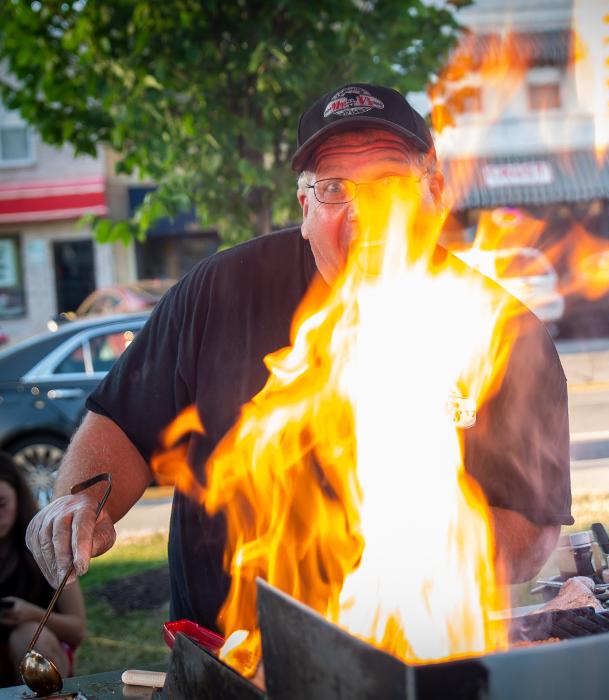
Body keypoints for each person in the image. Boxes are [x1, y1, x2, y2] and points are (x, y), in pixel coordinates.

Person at [25, 83, 573, 634]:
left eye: (391, 184)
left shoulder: (504, 333)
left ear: (434, 191)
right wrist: (82, 502)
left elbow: (531, 535)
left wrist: (418, 528)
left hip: (411, 653)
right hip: (226, 660)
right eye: (336, 188)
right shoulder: (222, 290)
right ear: (306, 205)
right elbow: (121, 423)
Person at [0, 454, 85, 686]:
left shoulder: (48, 544)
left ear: (19, 496)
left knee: (27, 636)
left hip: (42, 650)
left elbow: (77, 630)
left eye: (2, 504)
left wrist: (32, 614)